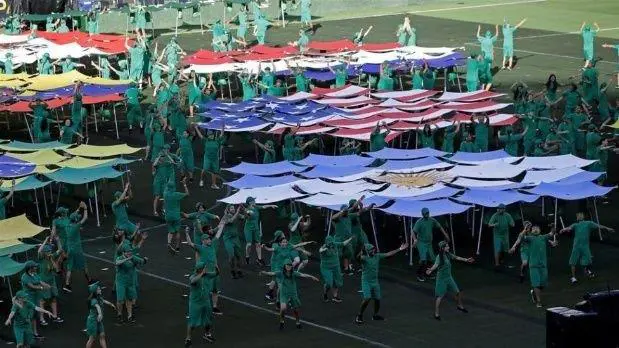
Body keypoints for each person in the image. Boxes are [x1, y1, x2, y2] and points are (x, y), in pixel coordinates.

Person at [355, 242, 407, 324]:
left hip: (375, 282)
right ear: (368, 251)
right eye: (372, 249)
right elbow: (358, 258)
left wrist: (399, 249)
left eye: (373, 249)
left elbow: (388, 254)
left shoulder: (377, 256)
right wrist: (360, 252)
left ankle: (375, 315)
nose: (374, 250)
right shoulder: (364, 258)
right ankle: (359, 315)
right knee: (367, 298)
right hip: (366, 282)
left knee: (377, 299)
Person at [260, 259, 319, 330]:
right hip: (284, 293)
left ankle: (297, 321)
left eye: (290, 265)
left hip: (293, 293)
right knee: (283, 308)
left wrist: (312, 277)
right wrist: (264, 272)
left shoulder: (294, 273)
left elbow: (303, 275)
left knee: (296, 310)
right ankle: (282, 321)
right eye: (287, 265)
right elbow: (272, 273)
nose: (288, 267)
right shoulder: (280, 273)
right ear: (284, 266)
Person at [510, 224, 557, 307]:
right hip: (533, 265)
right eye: (533, 229)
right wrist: (524, 230)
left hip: (543, 265)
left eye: (537, 228)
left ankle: (534, 293)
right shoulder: (529, 238)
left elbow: (552, 233)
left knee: (543, 284)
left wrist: (553, 227)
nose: (535, 230)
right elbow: (520, 236)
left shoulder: (543, 237)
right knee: (536, 284)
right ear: (531, 231)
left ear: (540, 230)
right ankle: (538, 301)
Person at [559, 212, 614, 284]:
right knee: (573, 262)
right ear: (577, 218)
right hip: (576, 246)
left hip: (585, 246)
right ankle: (573, 277)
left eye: (581, 215)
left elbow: (598, 226)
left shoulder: (589, 223)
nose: (580, 216)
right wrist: (564, 229)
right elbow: (569, 228)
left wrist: (607, 228)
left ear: (583, 216)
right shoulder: (575, 225)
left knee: (588, 259)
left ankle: (586, 271)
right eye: (578, 215)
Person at [426, 241, 474, 319]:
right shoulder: (439, 257)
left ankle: (459, 305)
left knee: (458, 292)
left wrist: (466, 260)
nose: (448, 247)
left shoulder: (448, 254)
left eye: (448, 246)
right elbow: (436, 264)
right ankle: (436, 313)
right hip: (441, 279)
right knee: (440, 297)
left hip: (449, 277)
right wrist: (431, 269)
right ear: (442, 248)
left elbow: (456, 257)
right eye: (447, 246)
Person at [412, 207, 450, 282]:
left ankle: (428, 272)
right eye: (425, 213)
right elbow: (413, 231)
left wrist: (445, 235)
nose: (427, 214)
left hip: (429, 243)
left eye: (428, 213)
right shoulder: (419, 222)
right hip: (421, 243)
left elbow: (440, 227)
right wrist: (415, 239)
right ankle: (419, 274)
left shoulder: (432, 220)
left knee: (432, 259)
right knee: (423, 260)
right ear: (422, 214)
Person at [114, 242, 146, 323]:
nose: (129, 253)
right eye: (128, 252)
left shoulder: (133, 257)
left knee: (129, 299)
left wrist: (145, 260)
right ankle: (119, 314)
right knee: (120, 300)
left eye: (130, 252)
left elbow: (142, 261)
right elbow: (117, 263)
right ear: (124, 252)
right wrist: (127, 259)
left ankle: (130, 315)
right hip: (121, 282)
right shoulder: (120, 258)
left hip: (129, 282)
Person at [242, 197, 278, 266]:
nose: (254, 201)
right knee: (249, 244)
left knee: (258, 243)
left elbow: (264, 206)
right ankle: (247, 257)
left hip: (256, 228)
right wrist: (248, 212)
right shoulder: (247, 210)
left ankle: (259, 259)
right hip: (248, 228)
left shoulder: (256, 207)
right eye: (253, 200)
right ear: (250, 202)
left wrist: (271, 205)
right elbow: (246, 216)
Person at [63, 202, 90, 293]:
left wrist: (79, 207)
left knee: (69, 268)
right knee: (84, 265)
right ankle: (89, 280)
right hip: (77, 250)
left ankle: (67, 284)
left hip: (69, 249)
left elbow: (72, 216)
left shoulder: (67, 225)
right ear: (76, 220)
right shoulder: (76, 226)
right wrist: (85, 208)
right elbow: (85, 218)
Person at [37, 239, 63, 325]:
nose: (49, 252)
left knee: (54, 298)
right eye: (47, 251)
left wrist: (58, 240)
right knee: (42, 300)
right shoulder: (41, 259)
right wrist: (44, 241)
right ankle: (42, 319)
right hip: (43, 281)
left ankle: (55, 316)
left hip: (52, 281)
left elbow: (60, 250)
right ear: (44, 253)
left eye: (50, 251)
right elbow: (39, 250)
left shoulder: (52, 257)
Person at [320, 235, 352, 302]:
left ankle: (335, 297)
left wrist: (350, 239)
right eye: (329, 243)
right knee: (329, 283)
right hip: (326, 268)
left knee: (337, 282)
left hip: (336, 267)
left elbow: (343, 243)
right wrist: (323, 249)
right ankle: (325, 293)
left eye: (331, 242)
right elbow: (320, 250)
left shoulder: (335, 244)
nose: (331, 244)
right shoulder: (324, 247)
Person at [85, 282, 116, 348]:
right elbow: (97, 307)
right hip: (93, 321)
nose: (100, 290)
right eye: (98, 289)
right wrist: (100, 314)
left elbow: (104, 301)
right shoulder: (93, 300)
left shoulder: (99, 297)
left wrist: (111, 304)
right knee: (92, 338)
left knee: (102, 335)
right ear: (95, 291)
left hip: (98, 321)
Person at [163, 178, 189, 253]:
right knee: (177, 231)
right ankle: (177, 247)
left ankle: (169, 243)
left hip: (168, 216)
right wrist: (184, 184)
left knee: (170, 231)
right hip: (176, 216)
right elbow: (187, 194)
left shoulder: (165, 194)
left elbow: (166, 188)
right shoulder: (176, 194)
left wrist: (167, 182)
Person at [218, 205, 243, 278]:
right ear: (228, 210)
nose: (233, 209)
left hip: (235, 238)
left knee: (238, 256)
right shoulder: (225, 216)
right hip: (228, 239)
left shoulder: (236, 215)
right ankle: (232, 270)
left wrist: (244, 210)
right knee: (231, 255)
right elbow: (231, 221)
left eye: (234, 208)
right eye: (231, 208)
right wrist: (238, 212)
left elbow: (246, 217)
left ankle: (239, 270)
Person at [488, 204, 515, 269]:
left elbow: (513, 224)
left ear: (504, 209)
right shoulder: (495, 215)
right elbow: (489, 225)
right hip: (497, 235)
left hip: (505, 235)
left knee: (505, 249)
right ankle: (497, 264)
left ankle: (502, 258)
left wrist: (511, 224)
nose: (499, 210)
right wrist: (494, 224)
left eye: (501, 209)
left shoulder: (507, 215)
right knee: (497, 249)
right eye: (498, 209)